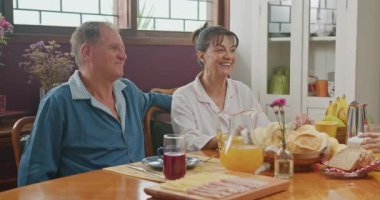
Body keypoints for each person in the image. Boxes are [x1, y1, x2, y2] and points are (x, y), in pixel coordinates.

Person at [18, 21, 171, 186]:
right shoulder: (59, 101)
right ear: (86, 52)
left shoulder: (128, 91)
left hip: (141, 192)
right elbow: (33, 175)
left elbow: (159, 99)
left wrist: (199, 100)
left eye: (123, 49)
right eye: (114, 48)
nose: (123, 56)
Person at [171, 23, 269, 151]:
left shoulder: (242, 90)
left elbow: (265, 129)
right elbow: (187, 141)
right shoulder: (183, 96)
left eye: (232, 50)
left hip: (240, 164)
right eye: (220, 50)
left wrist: (293, 127)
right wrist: (227, 139)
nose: (229, 56)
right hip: (204, 168)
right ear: (202, 56)